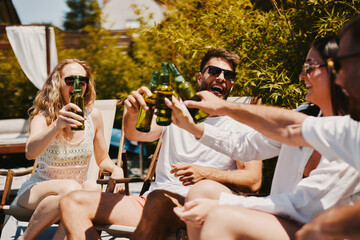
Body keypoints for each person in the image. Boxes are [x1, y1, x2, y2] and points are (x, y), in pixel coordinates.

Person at [178, 17, 360, 240]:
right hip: (286, 220)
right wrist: (193, 128)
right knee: (201, 193)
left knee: (220, 217)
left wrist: (225, 203)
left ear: (336, 69)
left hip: (316, 228)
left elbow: (304, 205)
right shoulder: (310, 117)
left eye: (310, 67)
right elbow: (258, 140)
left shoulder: (353, 130)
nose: (302, 75)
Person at [59, 48, 263, 239]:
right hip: (153, 202)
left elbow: (253, 180)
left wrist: (206, 174)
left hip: (204, 206)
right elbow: (135, 135)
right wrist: (132, 114)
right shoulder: (174, 110)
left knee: (160, 200)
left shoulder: (241, 121)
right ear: (200, 77)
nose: (221, 78)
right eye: (215, 71)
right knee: (72, 202)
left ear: (232, 84)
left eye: (228, 76)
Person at [16, 58, 124, 240]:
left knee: (91, 187)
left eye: (82, 80)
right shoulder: (44, 118)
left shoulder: (93, 116)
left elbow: (102, 158)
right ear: (58, 83)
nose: (77, 85)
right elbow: (30, 153)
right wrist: (57, 125)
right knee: (72, 189)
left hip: (73, 193)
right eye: (70, 80)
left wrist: (116, 169)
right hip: (37, 190)